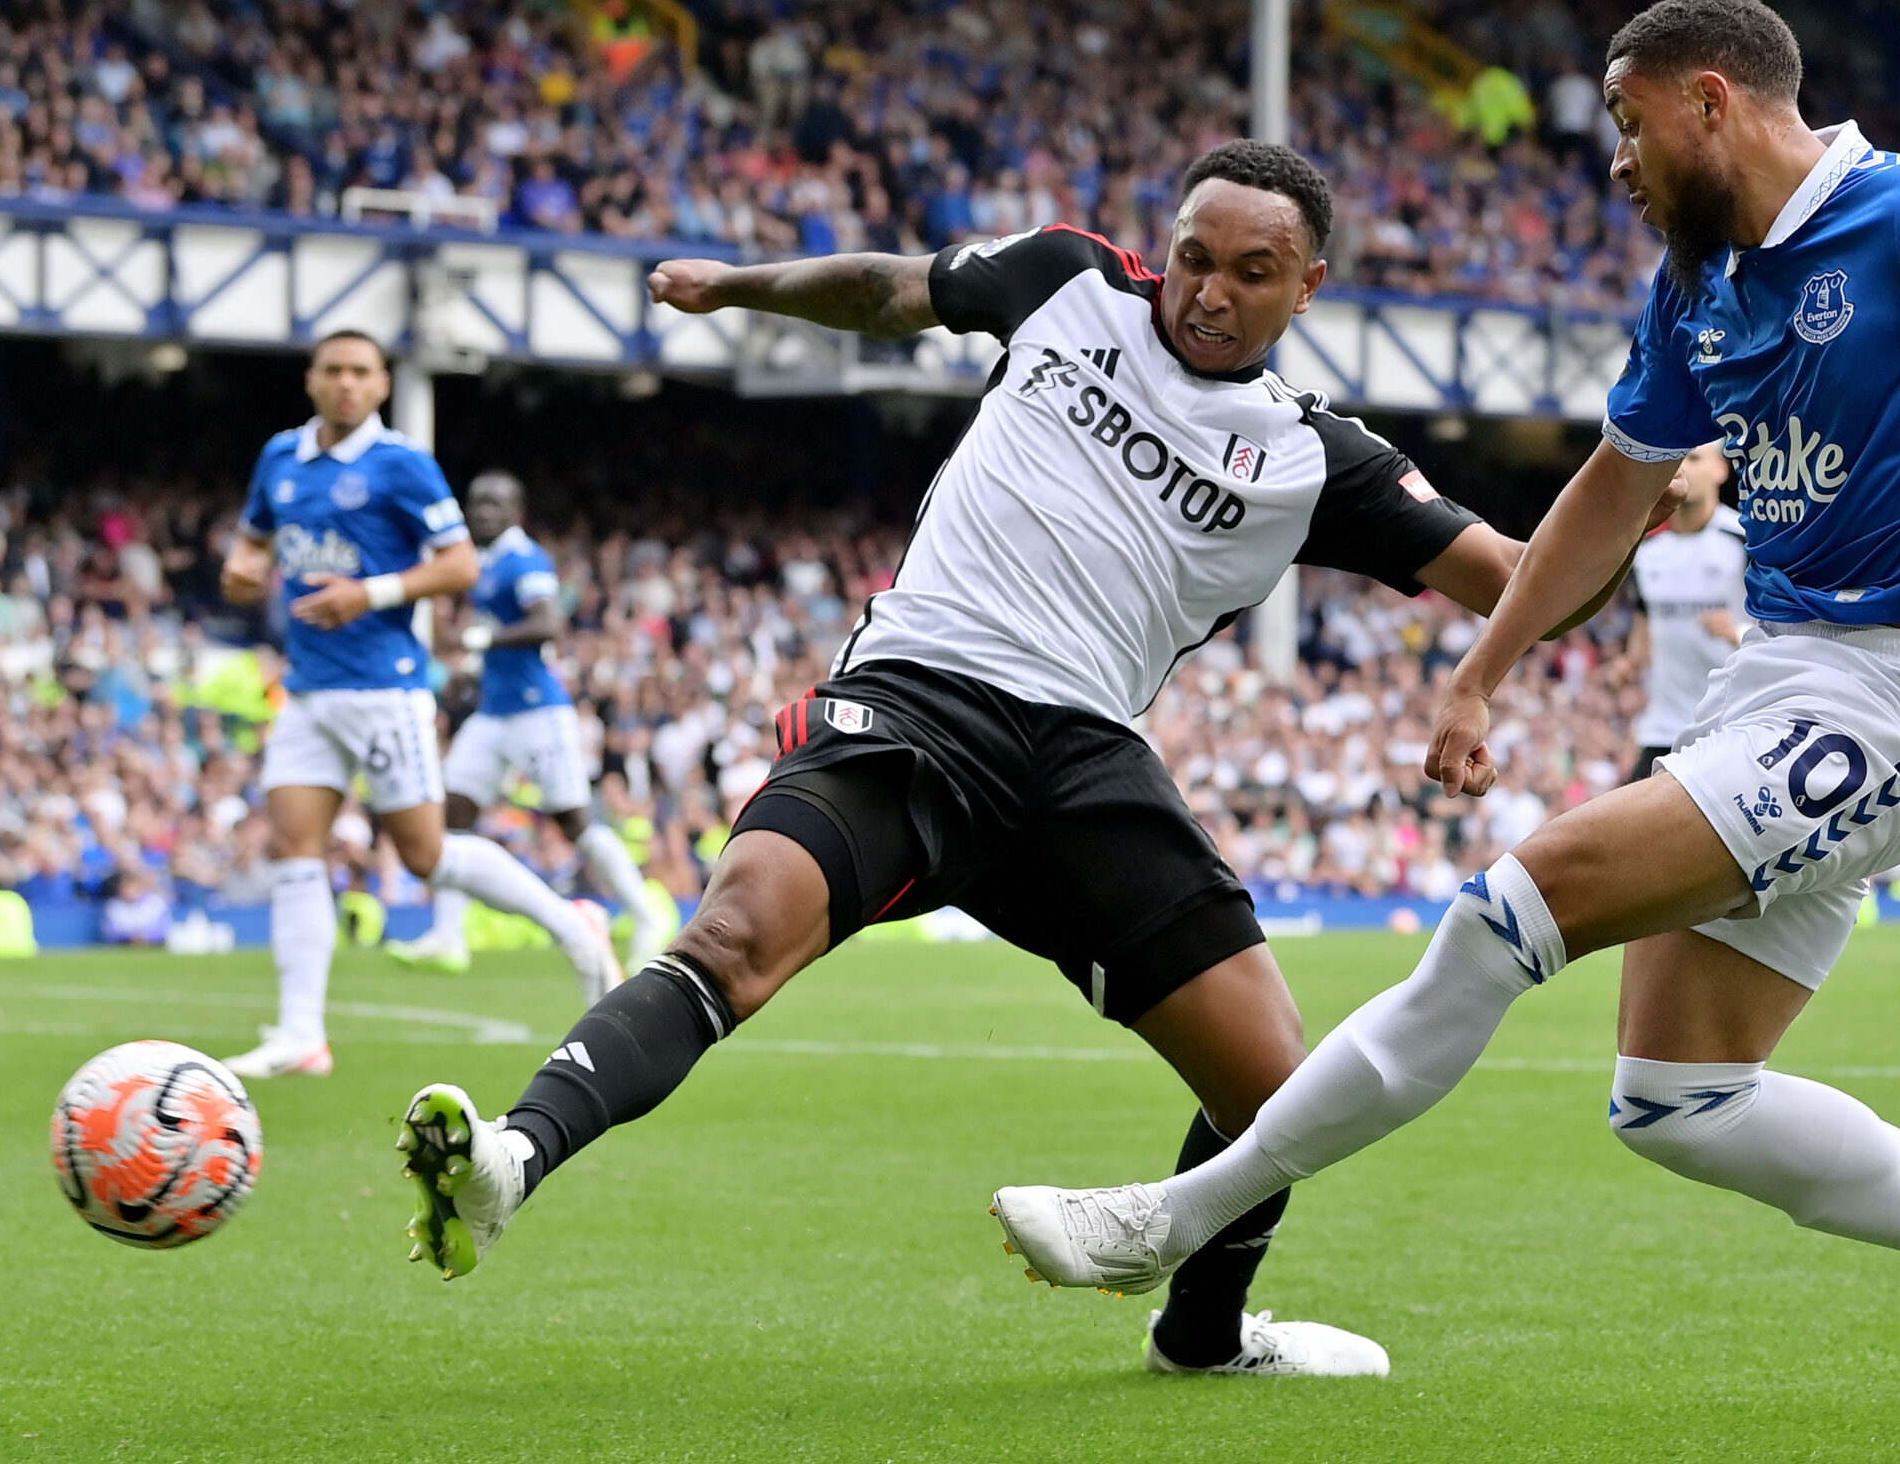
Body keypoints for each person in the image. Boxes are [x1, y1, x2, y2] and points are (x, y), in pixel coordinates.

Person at [991, 0, 1900, 1464]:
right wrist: (1483, 670)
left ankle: (1172, 1218)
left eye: (1625, 124)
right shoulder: (1700, 287)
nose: (1613, 160)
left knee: (1513, 910)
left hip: (1898, 697)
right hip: (1780, 683)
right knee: (1678, 1096)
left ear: (1707, 102)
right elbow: (1609, 493)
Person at [393, 142, 1682, 1379]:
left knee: (1277, 1087)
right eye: (1193, 256)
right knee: (734, 936)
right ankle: (513, 1153)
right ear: (1161, 246)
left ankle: (1204, 1334)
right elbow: (892, 290)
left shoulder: (1317, 460)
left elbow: (1523, 585)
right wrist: (736, 284)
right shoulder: (1068, 283)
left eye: (1249, 271)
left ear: (1306, 286)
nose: (1209, 291)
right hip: (917, 700)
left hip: (1082, 764)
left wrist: (1638, 494)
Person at [218, 332, 617, 1079]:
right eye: (333, 370)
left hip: (384, 687)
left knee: (426, 855)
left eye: (361, 372)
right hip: (307, 689)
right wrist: (241, 571)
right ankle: (302, 1034)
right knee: (295, 848)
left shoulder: (400, 463)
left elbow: (459, 563)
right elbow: (252, 542)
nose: (346, 383)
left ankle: (573, 924)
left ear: (379, 386)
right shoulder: (280, 457)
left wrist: (367, 593)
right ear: (311, 379)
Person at [389, 472, 676, 987]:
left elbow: (548, 624)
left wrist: (483, 641)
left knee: (572, 820)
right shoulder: (486, 561)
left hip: (537, 710)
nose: (484, 511)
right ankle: (448, 936)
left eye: (497, 502)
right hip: (496, 711)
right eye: (477, 501)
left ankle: (647, 911)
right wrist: (473, 670)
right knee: (451, 813)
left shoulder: (524, 559)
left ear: (517, 510)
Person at [1626, 441, 1744, 777]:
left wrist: (1737, 632)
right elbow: (1644, 633)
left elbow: (1784, 630)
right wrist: (1626, 666)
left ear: (1721, 469)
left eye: (1693, 458)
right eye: (1673, 460)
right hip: (1663, 728)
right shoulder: (1647, 552)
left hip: (1731, 725)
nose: (1682, 468)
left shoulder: (1746, 541)